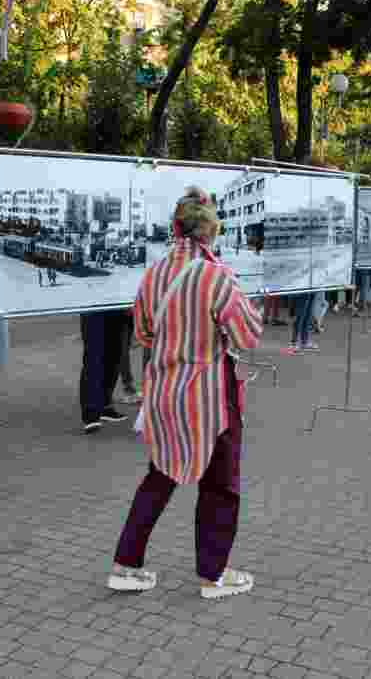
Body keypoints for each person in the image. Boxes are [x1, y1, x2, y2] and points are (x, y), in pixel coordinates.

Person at [108, 186, 263, 600]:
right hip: (210, 397)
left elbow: (142, 332)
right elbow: (247, 336)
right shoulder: (217, 276)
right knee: (221, 484)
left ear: (175, 226)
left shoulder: (154, 273)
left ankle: (126, 565)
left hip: (163, 392)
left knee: (160, 477)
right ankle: (213, 575)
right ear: (211, 230)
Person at [80, 309, 129, 433]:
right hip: (92, 304)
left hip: (118, 304)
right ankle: (91, 414)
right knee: (94, 356)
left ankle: (104, 405)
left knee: (115, 354)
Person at [116, 308, 142, 405]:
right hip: (130, 308)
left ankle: (129, 389)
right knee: (122, 349)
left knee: (121, 349)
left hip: (123, 308)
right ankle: (129, 389)